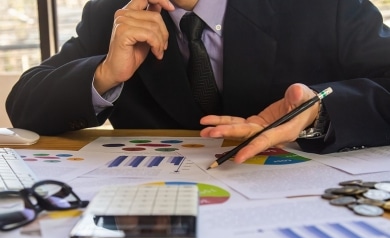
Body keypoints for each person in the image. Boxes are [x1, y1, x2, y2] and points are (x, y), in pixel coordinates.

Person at [6, 0, 390, 163]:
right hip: (161, 216)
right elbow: (23, 105)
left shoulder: (324, 6)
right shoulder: (113, 12)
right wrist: (104, 73)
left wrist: (319, 111)